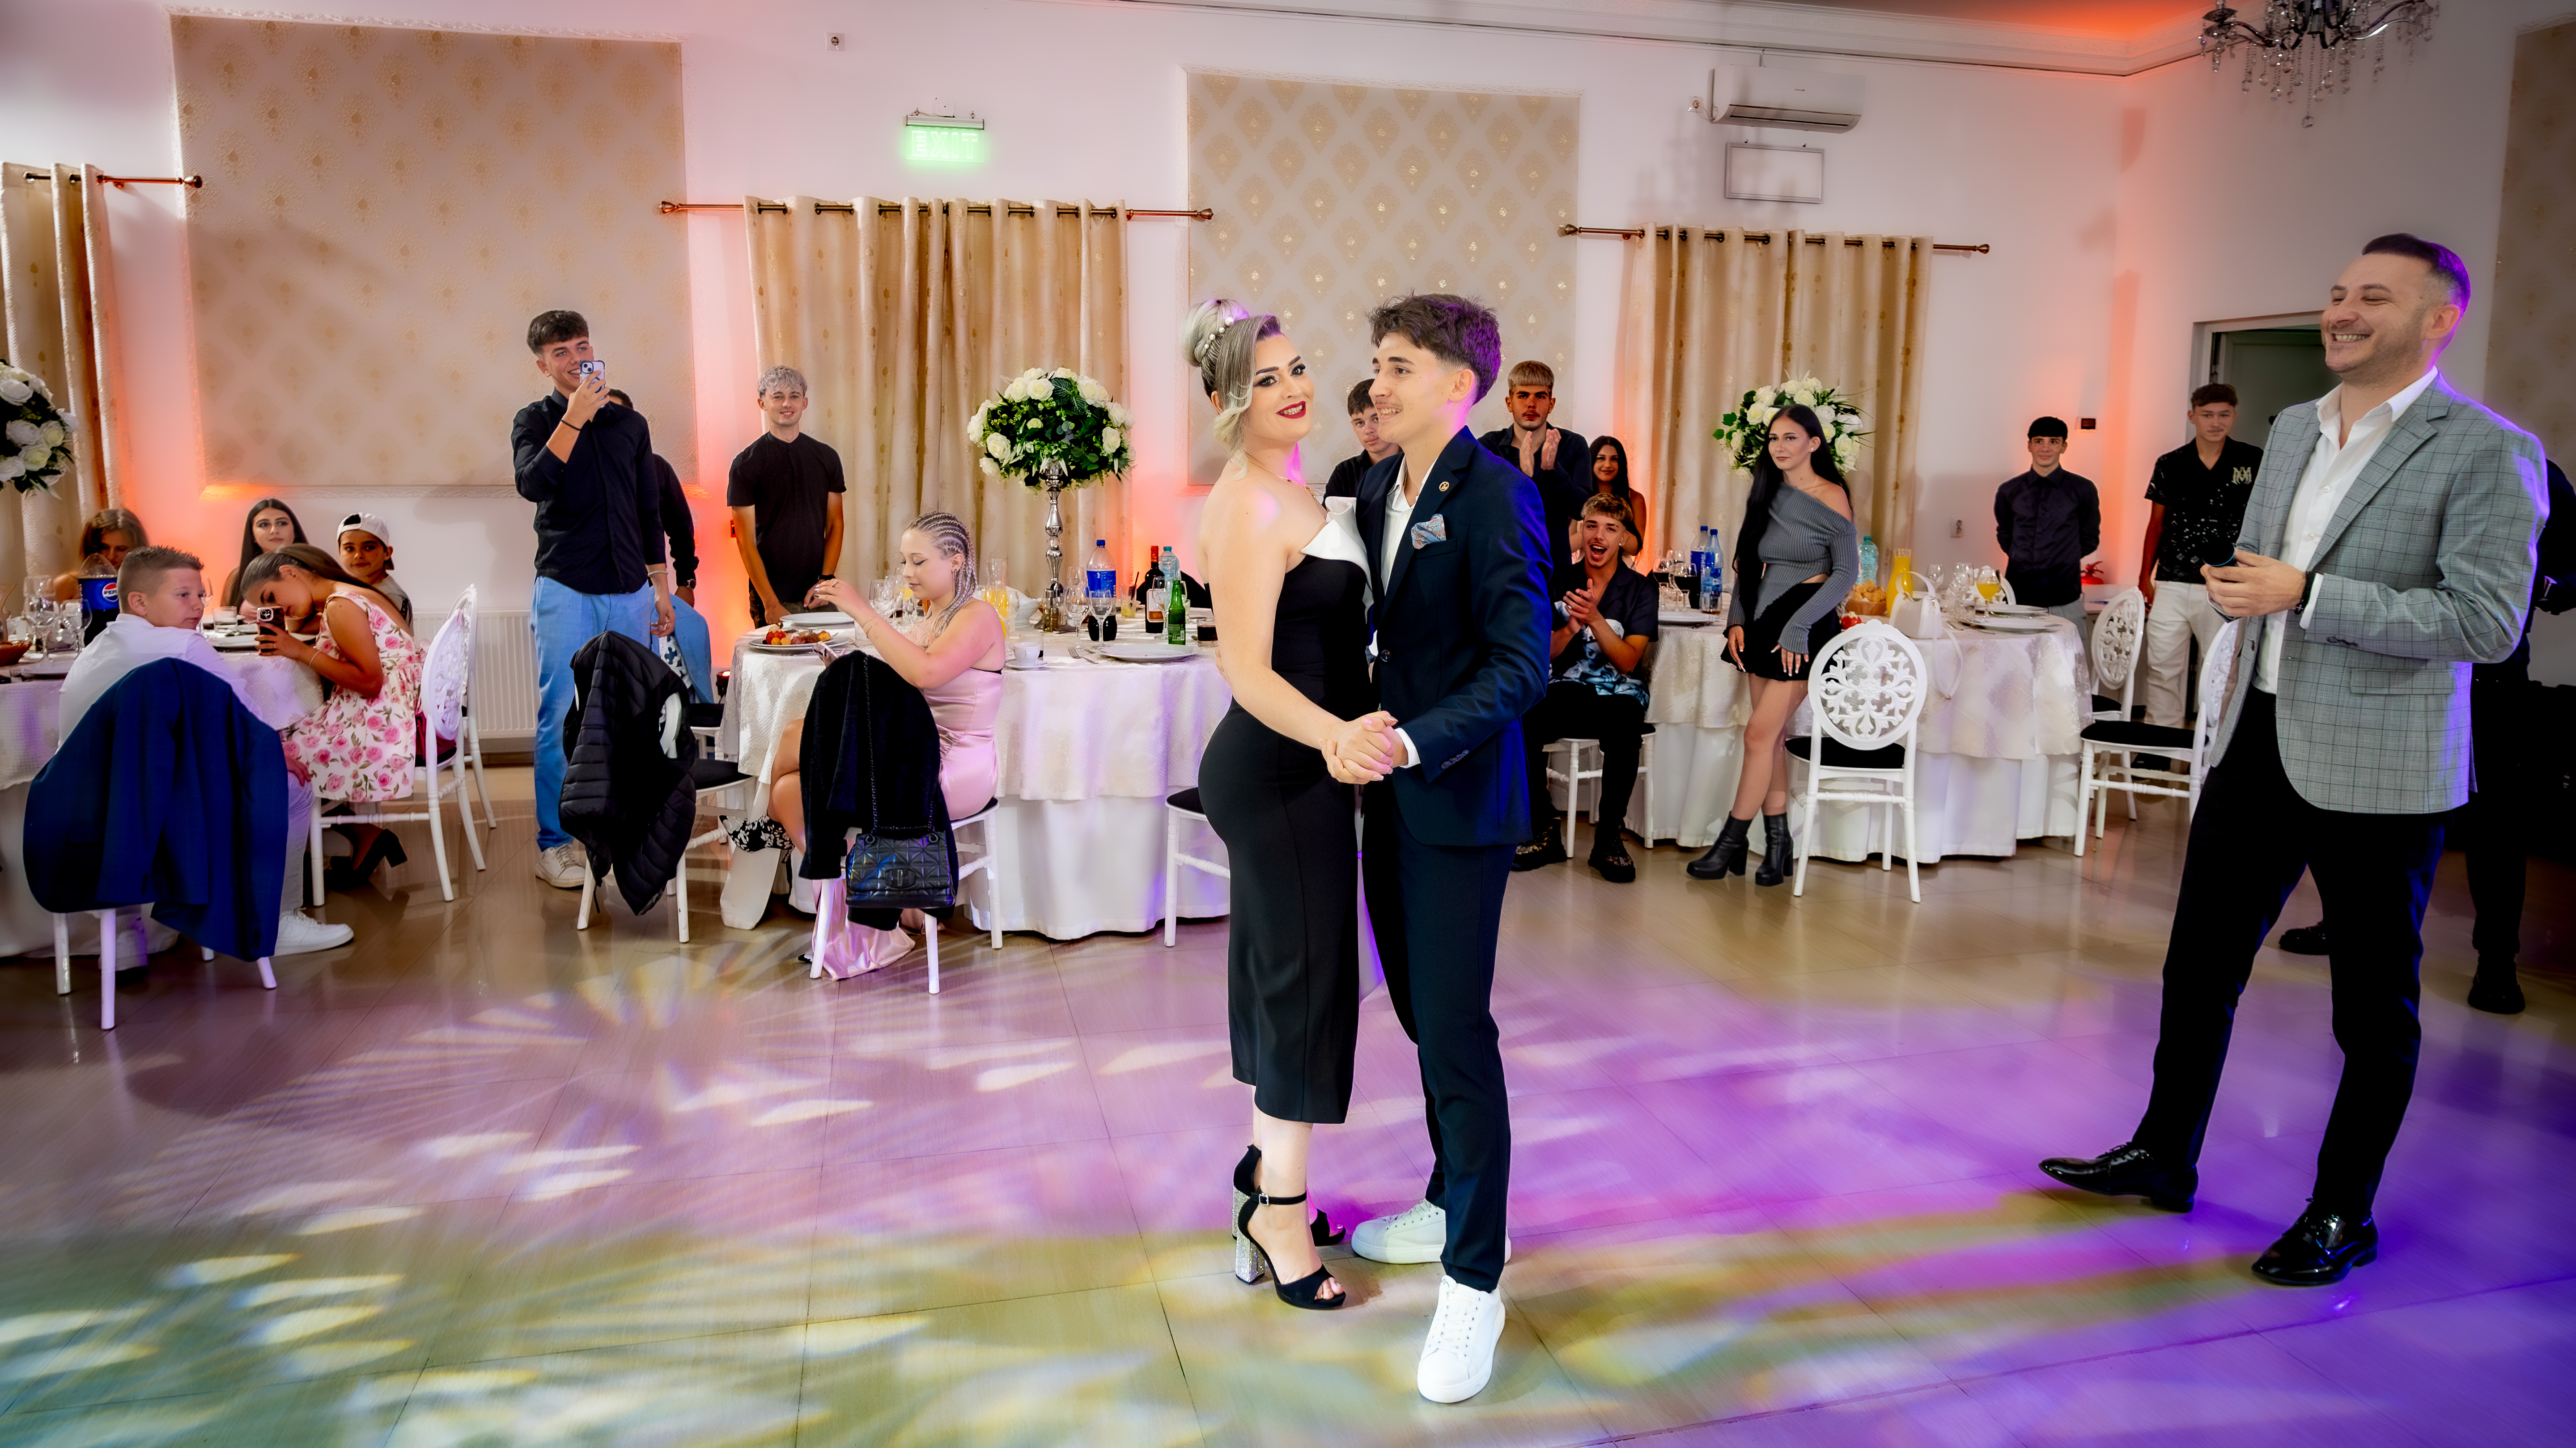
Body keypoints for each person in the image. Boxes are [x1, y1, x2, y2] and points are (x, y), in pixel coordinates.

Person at [2041, 234, 2546, 1288]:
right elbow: (2257, 573)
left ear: (2437, 320)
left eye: (2373, 296)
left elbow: (2484, 621)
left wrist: (2306, 594)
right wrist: (2246, 596)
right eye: (2334, 292)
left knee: (2369, 1009)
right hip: (2256, 739)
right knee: (2196, 967)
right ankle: (2162, 1152)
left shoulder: (2486, 449)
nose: (2340, 311)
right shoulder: (2288, 428)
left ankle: (2339, 1211)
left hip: (2380, 764)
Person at [1347, 293, 1550, 1405]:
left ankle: (1475, 1275)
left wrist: (1415, 740)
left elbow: (1521, 663)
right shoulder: (1375, 484)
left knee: (1458, 1032)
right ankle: (1444, 1195)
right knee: (1422, 1015)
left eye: (1396, 366)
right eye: (1376, 364)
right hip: (1387, 800)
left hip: (1456, 796)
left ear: (1456, 385)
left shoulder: (1495, 493)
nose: (1376, 384)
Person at [1186, 298, 1385, 1316]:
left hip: (1299, 767)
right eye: (1264, 379)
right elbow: (1245, 669)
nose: (1292, 388)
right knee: (1303, 989)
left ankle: (1265, 1177)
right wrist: (1335, 737)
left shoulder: (1291, 486)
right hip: (1277, 768)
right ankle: (1279, 1214)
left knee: (1295, 982)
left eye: (1297, 367)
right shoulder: (1245, 504)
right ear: (1229, 401)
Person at [2273, 457, 2572, 1014]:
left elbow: (2573, 567)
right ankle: (2342, 922)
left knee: (2495, 822)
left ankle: (2496, 960)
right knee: (2353, 803)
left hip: (2488, 677)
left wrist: (2547, 585)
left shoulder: (2528, 464)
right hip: (2390, 664)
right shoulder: (2389, 461)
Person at [59, 546, 352, 961]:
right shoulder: (184, 645)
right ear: (139, 601)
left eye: (200, 595)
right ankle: (278, 920)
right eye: (183, 595)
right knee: (292, 786)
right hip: (160, 812)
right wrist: (271, 755)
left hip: (84, 810)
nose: (198, 606)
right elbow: (245, 716)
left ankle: (127, 930)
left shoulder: (94, 648)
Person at [785, 513, 1005, 974]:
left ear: (956, 561)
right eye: (904, 561)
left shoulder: (978, 617)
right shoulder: (928, 617)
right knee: (788, 780)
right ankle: (857, 898)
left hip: (954, 764)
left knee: (799, 746)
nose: (907, 573)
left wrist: (861, 611)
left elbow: (925, 673)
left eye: (918, 561)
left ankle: (865, 906)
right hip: (911, 750)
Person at [511, 309, 677, 889]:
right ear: (543, 365)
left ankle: (625, 834)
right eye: (560, 352)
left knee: (630, 715)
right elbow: (532, 484)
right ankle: (555, 843)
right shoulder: (534, 420)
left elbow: (648, 510)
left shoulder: (630, 425)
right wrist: (574, 419)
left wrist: (661, 584)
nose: (575, 359)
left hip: (630, 588)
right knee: (562, 716)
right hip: (565, 586)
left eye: (581, 346)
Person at [1689, 406, 1859, 887]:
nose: (1779, 447)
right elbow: (1746, 564)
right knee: (1772, 738)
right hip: (1762, 623)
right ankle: (1778, 843)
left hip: (1804, 624)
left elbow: (1846, 572)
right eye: (1772, 439)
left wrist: (1800, 625)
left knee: (1757, 736)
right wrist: (1736, 621)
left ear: (1814, 443)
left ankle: (1730, 842)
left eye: (1790, 437)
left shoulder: (1832, 496)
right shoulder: (1766, 492)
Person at [239, 544, 425, 888]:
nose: (275, 609)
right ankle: (361, 835)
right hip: (391, 709)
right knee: (277, 744)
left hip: (381, 718)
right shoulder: (346, 595)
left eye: (271, 597)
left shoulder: (342, 606)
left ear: (290, 573)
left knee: (266, 756)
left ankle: (278, 874)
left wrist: (299, 651)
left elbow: (370, 682)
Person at [1515, 494, 1657, 883]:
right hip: (1566, 687)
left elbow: (1628, 661)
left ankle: (1608, 840)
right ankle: (1544, 830)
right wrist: (1570, 627)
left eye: (1611, 529)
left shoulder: (1641, 589)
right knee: (1520, 717)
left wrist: (1594, 619)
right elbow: (1542, 652)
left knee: (1625, 727)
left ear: (1624, 538)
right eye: (1591, 526)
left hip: (1619, 692)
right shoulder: (1558, 579)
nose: (1599, 536)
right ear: (1581, 530)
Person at [2137, 385, 2263, 731]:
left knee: (2222, 669)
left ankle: (2213, 747)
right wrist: (2143, 577)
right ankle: (2159, 742)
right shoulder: (2170, 463)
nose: (2215, 422)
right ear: (2192, 416)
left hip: (2227, 582)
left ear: (2233, 416)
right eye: (2207, 415)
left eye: (2223, 414)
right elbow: (2156, 524)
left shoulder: (2252, 460)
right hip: (2172, 580)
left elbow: (2264, 521)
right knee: (2162, 666)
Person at [609, 387, 715, 704]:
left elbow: (681, 528)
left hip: (654, 589)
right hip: (606, 593)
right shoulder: (586, 469)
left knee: (684, 646)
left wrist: (686, 583)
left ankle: (684, 716)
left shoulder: (656, 468)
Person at [727, 365, 846, 626]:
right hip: (771, 596)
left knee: (834, 653)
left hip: (817, 593)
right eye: (778, 397)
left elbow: (836, 524)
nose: (786, 404)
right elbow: (746, 542)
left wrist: (825, 581)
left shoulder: (827, 458)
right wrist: (770, 603)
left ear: (805, 403)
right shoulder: (746, 464)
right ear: (763, 403)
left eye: (794, 396)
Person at [1475, 360, 1591, 561]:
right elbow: (1481, 508)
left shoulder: (1573, 444)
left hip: (1555, 564)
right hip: (1503, 561)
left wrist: (1553, 469)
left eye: (1540, 396)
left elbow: (1583, 509)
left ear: (1551, 404)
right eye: (1523, 396)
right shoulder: (1489, 446)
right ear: (1509, 403)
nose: (1531, 404)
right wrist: (1521, 475)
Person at [1994, 417, 2100, 630]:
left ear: (2064, 447)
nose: (2045, 448)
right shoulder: (2009, 490)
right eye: (2039, 441)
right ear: (2029, 446)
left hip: (2064, 597)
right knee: (2016, 651)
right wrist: (2020, 555)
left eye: (2053, 442)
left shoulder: (2083, 489)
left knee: (2072, 652)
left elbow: (2090, 538)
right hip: (2018, 596)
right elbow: (2004, 532)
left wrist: (2063, 558)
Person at [220, 498, 306, 610]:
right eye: (264, 525)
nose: (274, 530)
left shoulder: (311, 572)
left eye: (282, 523)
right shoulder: (238, 577)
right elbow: (225, 617)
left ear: (295, 531)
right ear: (253, 535)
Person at [333, 512, 411, 627]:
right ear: (340, 552)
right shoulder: (352, 588)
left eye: (369, 547)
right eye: (350, 549)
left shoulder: (390, 597)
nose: (358, 555)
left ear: (387, 553)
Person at [1322, 377, 1395, 500]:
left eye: (1376, 419)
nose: (1368, 430)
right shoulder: (1344, 474)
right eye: (1360, 423)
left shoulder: (1414, 466)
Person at [53, 507, 147, 602]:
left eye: (121, 549)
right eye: (104, 547)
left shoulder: (148, 584)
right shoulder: (67, 584)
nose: (111, 556)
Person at [1584, 436, 1650, 553]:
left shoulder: (1635, 499)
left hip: (1621, 564)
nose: (1608, 465)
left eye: (1614, 459)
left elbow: (1635, 550)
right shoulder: (1580, 495)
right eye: (1601, 458)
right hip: (1584, 563)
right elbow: (1566, 545)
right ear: (1591, 460)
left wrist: (1616, 530)